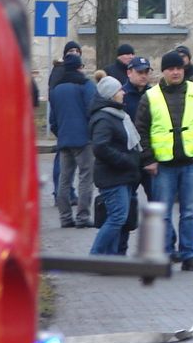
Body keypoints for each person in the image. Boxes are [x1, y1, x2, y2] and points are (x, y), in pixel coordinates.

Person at [136, 50, 193, 271]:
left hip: (191, 163)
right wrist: (149, 159)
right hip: (163, 165)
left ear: (184, 70)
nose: (175, 72)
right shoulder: (151, 96)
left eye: (179, 68)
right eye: (171, 69)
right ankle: (164, 254)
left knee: (189, 213)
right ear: (163, 71)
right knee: (162, 214)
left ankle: (189, 255)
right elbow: (140, 131)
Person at [89, 76, 151, 255]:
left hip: (124, 176)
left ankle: (114, 255)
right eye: (119, 91)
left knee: (121, 218)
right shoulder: (104, 118)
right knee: (117, 217)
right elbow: (101, 147)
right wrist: (126, 160)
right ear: (110, 94)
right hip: (113, 177)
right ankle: (96, 255)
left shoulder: (118, 115)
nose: (123, 92)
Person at [49, 52, 97, 228]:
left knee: (64, 179)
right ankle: (83, 217)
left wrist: (60, 133)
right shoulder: (86, 85)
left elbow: (52, 119)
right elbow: (92, 109)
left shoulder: (56, 90)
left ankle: (65, 218)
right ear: (80, 67)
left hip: (64, 139)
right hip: (84, 139)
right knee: (85, 177)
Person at [121, 56, 155, 200]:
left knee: (156, 200)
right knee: (127, 200)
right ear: (129, 72)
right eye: (140, 72)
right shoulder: (121, 95)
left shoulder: (154, 94)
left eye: (146, 72)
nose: (144, 76)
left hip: (149, 154)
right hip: (129, 155)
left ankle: (153, 223)